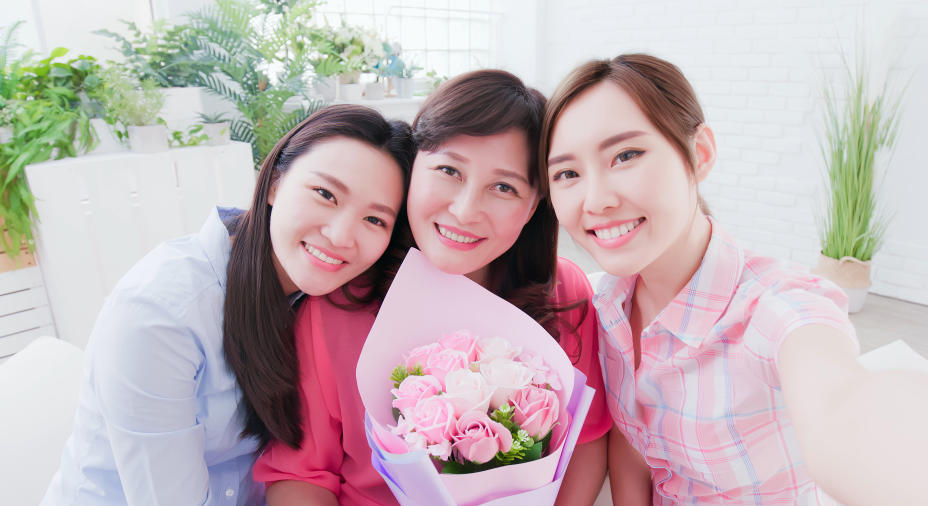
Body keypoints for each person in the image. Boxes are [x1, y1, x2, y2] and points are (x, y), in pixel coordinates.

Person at [540, 53, 928, 505]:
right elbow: (634, 444)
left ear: (699, 154)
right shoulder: (607, 303)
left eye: (626, 155)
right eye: (567, 173)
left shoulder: (775, 307)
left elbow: (841, 403)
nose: (597, 199)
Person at [253, 70, 612, 505]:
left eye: (503, 187)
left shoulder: (563, 293)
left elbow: (588, 439)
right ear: (413, 166)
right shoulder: (338, 304)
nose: (464, 210)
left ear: (535, 204)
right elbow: (303, 476)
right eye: (448, 170)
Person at [41, 105, 415, 506]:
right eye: (325, 194)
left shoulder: (336, 302)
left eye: (375, 220)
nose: (341, 236)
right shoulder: (160, 314)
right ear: (273, 182)